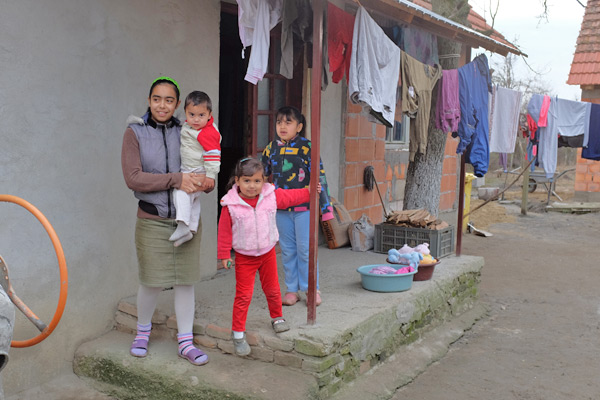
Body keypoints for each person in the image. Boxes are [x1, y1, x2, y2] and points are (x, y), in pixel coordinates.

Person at [121, 76, 209, 366]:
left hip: (187, 219)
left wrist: (206, 181)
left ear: (177, 104)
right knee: (151, 282)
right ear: (149, 101)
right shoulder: (134, 132)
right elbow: (133, 178)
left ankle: (186, 342)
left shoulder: (188, 131)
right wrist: (176, 179)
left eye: (169, 100)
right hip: (152, 220)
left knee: (185, 282)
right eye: (157, 99)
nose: (162, 105)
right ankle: (142, 333)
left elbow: (203, 164)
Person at [218, 158, 318, 356]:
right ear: (237, 181)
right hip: (244, 257)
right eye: (247, 181)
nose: (252, 186)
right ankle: (238, 333)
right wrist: (224, 254)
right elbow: (224, 232)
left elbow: (291, 197)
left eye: (257, 181)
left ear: (263, 180)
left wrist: (310, 191)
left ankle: (277, 317)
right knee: (243, 295)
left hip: (267, 253)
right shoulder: (230, 204)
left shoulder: (270, 195)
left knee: (272, 289)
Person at [261, 106, 334, 307]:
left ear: (299, 126)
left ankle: (312, 289)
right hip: (281, 209)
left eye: (288, 122)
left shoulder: (308, 147)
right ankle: (292, 289)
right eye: (279, 122)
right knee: (287, 250)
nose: (282, 126)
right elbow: (261, 175)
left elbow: (320, 177)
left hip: (304, 209)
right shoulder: (271, 148)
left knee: (306, 250)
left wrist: (326, 209)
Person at [169, 91, 221, 247]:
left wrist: (210, 176)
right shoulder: (189, 126)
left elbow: (213, 155)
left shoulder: (207, 132)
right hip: (191, 167)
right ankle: (191, 228)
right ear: (185, 112)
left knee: (180, 192)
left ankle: (183, 225)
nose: (196, 119)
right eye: (191, 114)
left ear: (209, 114)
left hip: (196, 170)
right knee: (194, 199)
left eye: (201, 115)